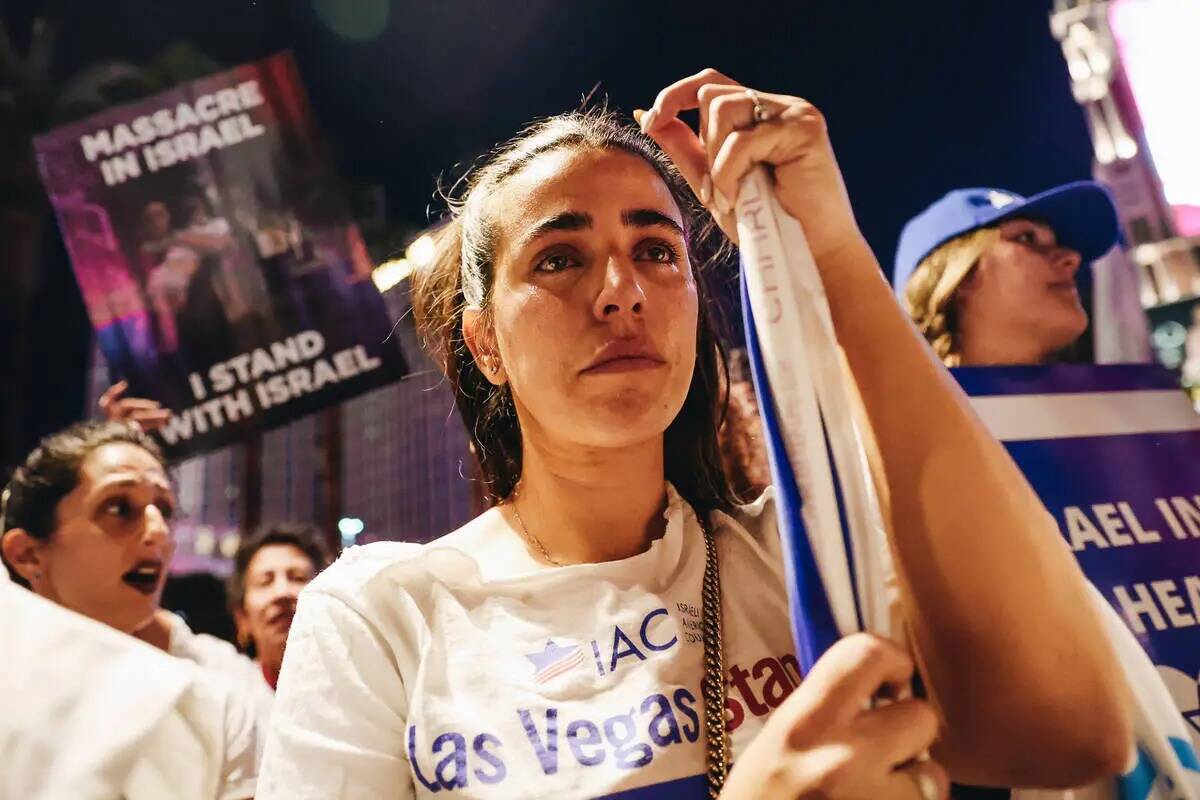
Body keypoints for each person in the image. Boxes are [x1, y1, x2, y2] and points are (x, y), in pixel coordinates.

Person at [259, 70, 1131, 799]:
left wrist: (827, 246)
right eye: (559, 259)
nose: (622, 292)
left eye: (657, 251)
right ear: (485, 341)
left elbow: (1072, 735)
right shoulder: (384, 615)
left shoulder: (806, 564)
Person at [0, 420, 260, 797]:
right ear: (26, 554)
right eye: (120, 508)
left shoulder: (215, 709)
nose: (158, 532)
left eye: (165, 509)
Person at [1, 562, 254, 800]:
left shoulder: (213, 703)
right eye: (119, 513)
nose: (158, 532)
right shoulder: (17, 683)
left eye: (166, 515)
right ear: (26, 554)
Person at [892, 182, 1121, 366]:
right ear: (959, 278)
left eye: (1058, 242)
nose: (1073, 258)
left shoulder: (1119, 408)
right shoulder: (897, 421)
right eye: (1026, 238)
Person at [228, 523, 332, 694]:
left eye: (297, 577)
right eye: (265, 581)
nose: (282, 592)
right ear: (242, 618)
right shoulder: (227, 699)